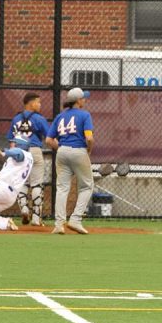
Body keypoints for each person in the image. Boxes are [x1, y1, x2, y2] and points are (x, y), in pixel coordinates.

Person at [45, 87, 94, 235]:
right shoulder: (84, 115)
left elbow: (48, 140)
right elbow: (89, 138)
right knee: (86, 186)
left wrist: (61, 148)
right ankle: (75, 219)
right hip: (79, 151)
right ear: (78, 100)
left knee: (62, 188)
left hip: (62, 152)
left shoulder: (60, 116)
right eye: (83, 98)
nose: (84, 100)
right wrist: (88, 150)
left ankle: (59, 224)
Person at [6, 92, 50, 226]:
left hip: (19, 151)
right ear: (31, 103)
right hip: (34, 150)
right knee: (37, 183)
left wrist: (12, 154)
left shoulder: (16, 118)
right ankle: (36, 219)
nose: (40, 105)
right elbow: (48, 136)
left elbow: (11, 139)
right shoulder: (39, 119)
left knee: (22, 183)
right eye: (38, 102)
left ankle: (24, 209)